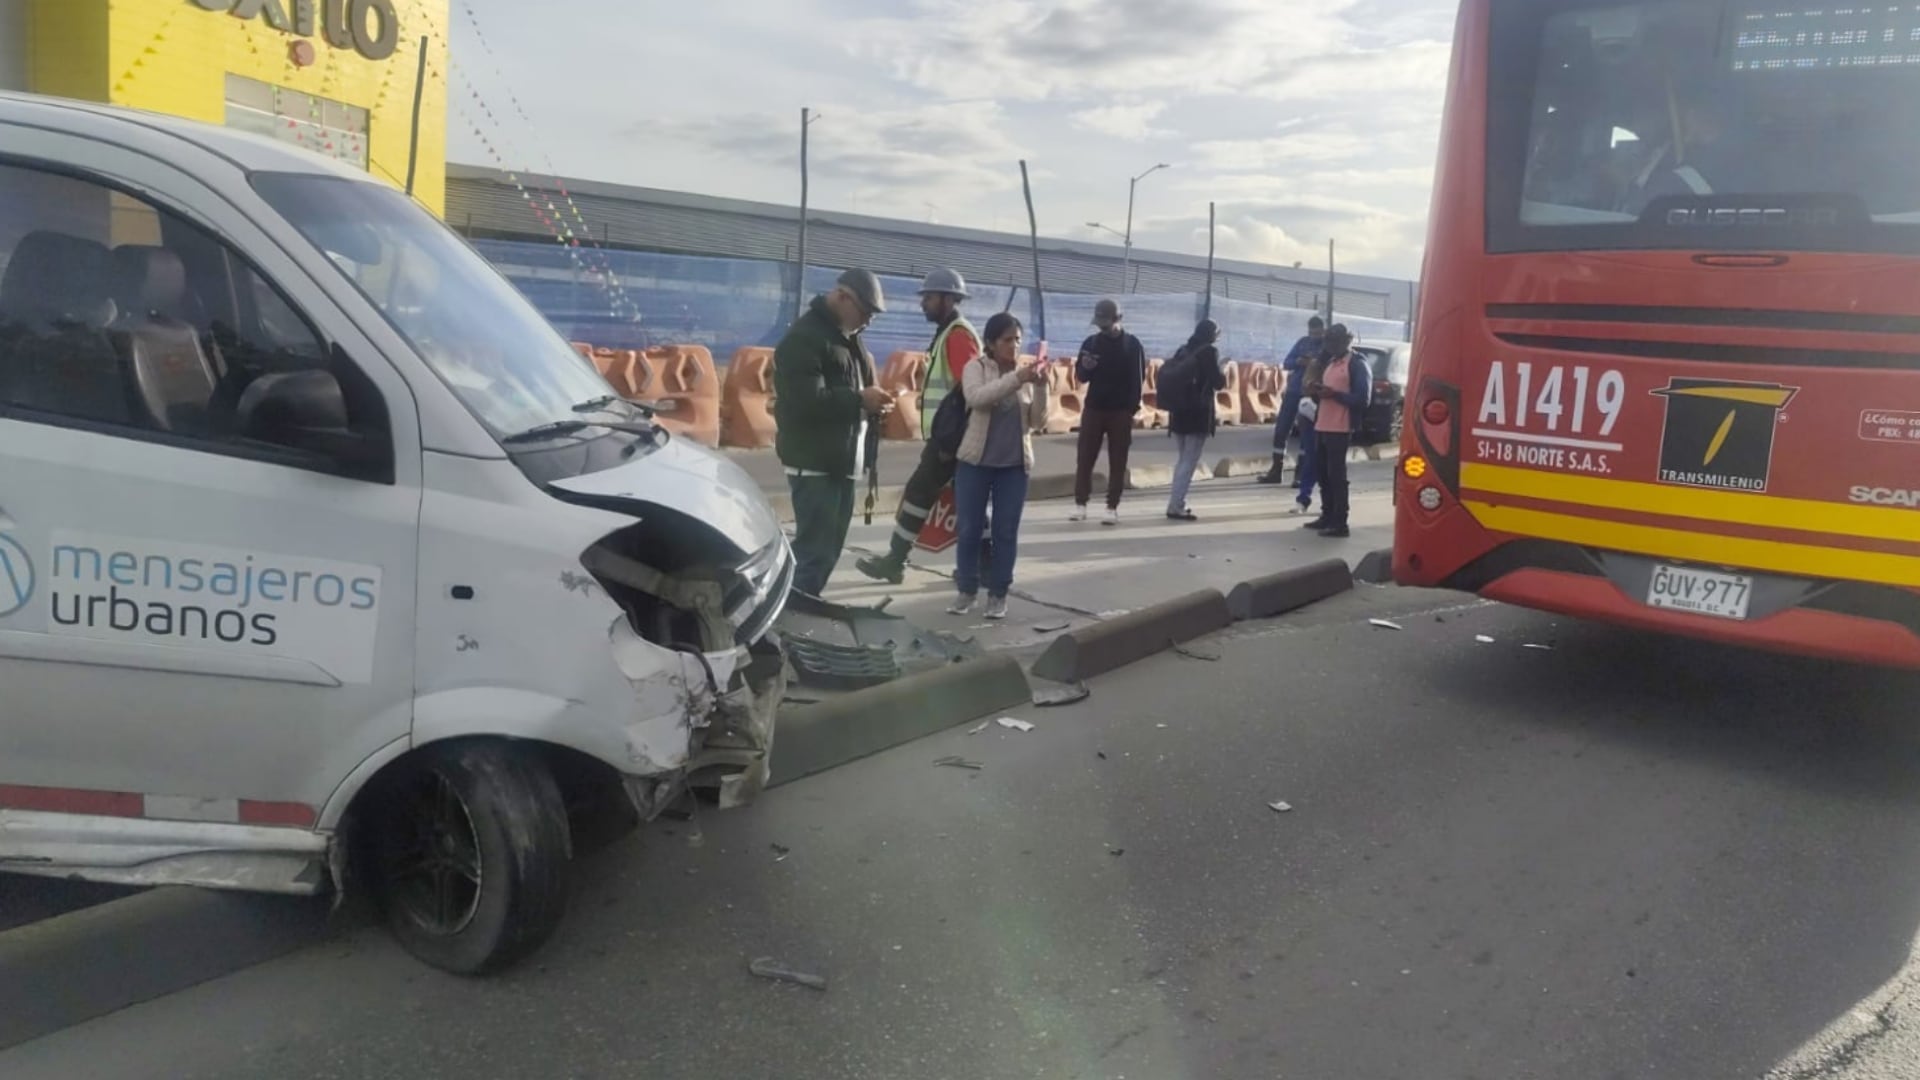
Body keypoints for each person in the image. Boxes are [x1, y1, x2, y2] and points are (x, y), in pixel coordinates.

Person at [772, 268, 894, 596]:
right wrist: (859, 399)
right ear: (841, 297)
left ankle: (798, 608)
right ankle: (789, 617)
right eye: (864, 311)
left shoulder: (850, 339)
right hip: (814, 463)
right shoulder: (805, 338)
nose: (867, 320)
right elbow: (803, 401)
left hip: (842, 462)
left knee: (826, 551)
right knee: (814, 552)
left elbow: (860, 391)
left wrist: (874, 402)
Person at [856, 268, 981, 585]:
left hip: (951, 440)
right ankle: (986, 564)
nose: (923, 303)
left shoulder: (957, 336)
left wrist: (952, 443)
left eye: (929, 297)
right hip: (949, 437)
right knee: (965, 501)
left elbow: (970, 390)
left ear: (948, 299)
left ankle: (895, 561)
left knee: (920, 494)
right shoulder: (948, 333)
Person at [950, 312, 1050, 620]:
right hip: (975, 462)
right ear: (991, 343)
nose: (1014, 346)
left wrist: (1043, 387)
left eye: (1018, 340)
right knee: (968, 529)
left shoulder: (1026, 374)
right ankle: (967, 590)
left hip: (1014, 466)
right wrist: (1017, 379)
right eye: (1007, 340)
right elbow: (977, 398)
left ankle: (998, 593)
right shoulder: (976, 368)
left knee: (1005, 531)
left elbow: (1037, 421)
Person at [1071, 298, 1147, 526]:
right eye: (1099, 324)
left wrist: (1131, 410)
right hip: (1094, 408)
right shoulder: (1091, 343)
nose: (1102, 329)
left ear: (1118, 319)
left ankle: (1111, 507)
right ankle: (1080, 504)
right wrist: (1086, 367)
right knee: (1085, 458)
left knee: (1118, 460)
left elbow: (1138, 379)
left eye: (1106, 324)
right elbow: (1081, 376)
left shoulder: (1133, 345)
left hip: (1120, 411)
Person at [1301, 324, 1371, 539]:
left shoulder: (1357, 364)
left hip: (1340, 427)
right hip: (1322, 423)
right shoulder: (1331, 362)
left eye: (1335, 342)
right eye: (1328, 342)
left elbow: (1363, 399)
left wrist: (1335, 394)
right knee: (1323, 473)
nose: (1331, 346)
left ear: (1346, 342)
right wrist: (1317, 392)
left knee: (1336, 475)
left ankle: (1340, 521)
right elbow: (1324, 393)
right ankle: (1327, 514)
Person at [1163, 318, 1226, 522]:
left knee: (1182, 459)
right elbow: (1218, 383)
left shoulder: (1183, 350)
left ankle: (1175, 502)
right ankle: (1176, 505)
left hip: (1179, 411)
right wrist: (1222, 367)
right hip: (1197, 412)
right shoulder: (1208, 352)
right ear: (1211, 335)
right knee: (1188, 462)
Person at [1258, 315, 1324, 487]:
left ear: (1323, 331)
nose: (1314, 336)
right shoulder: (1303, 342)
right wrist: (1299, 361)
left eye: (1317, 332)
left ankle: (1300, 474)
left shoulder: (1326, 347)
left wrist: (1315, 363)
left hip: (1310, 394)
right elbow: (1287, 363)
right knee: (1281, 430)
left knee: (1305, 434)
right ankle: (1276, 470)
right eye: (1311, 332)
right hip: (1293, 391)